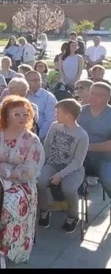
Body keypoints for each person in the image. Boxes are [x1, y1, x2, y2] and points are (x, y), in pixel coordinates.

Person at [0, 95, 45, 267]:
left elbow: (33, 167)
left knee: (9, 202)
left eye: (25, 114)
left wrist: (11, 173)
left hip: (22, 184)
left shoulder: (31, 140)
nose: (22, 118)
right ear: (6, 115)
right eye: (16, 114)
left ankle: (3, 251)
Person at [37, 99, 88, 233]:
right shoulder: (54, 126)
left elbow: (78, 162)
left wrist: (60, 175)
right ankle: (44, 209)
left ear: (69, 116)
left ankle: (73, 216)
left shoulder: (82, 135)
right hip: (53, 163)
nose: (55, 116)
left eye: (58, 113)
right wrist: (40, 165)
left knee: (69, 189)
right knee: (40, 181)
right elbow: (47, 146)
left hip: (73, 169)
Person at [76, 82, 111, 200]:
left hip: (105, 159)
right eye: (92, 93)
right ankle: (69, 210)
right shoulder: (79, 111)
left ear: (108, 98)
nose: (93, 97)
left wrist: (86, 147)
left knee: (109, 180)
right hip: (78, 157)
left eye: (99, 95)